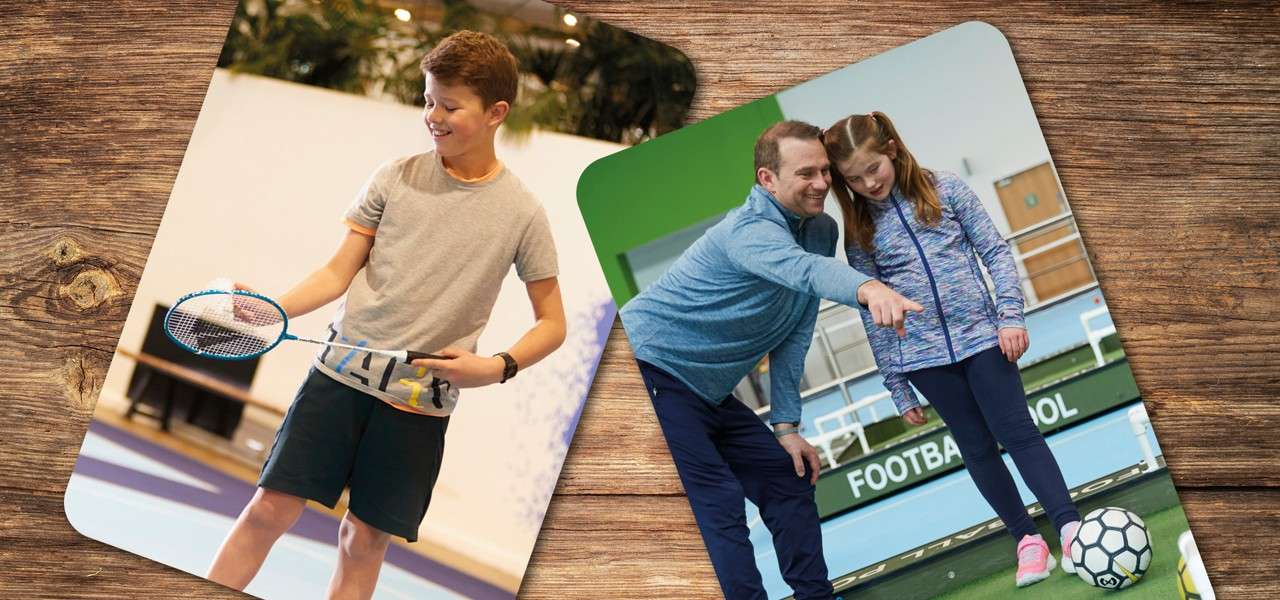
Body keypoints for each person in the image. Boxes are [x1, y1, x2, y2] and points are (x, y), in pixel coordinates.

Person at [204, 31, 566, 599]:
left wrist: (496, 366)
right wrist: (272, 308)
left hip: (416, 405)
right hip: (336, 379)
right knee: (268, 509)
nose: (433, 116)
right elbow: (336, 273)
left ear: (496, 113)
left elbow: (552, 323)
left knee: (363, 540)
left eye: (450, 106)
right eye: (428, 100)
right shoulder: (394, 176)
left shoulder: (523, 214)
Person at [620, 120, 920, 600]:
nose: (821, 183)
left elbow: (796, 328)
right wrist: (868, 288)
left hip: (707, 392)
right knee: (718, 503)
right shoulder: (748, 231)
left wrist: (786, 426)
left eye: (824, 171)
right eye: (805, 173)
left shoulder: (820, 230)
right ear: (767, 179)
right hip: (647, 372)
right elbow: (806, 271)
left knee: (786, 478)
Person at [823, 110, 1082, 588]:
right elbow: (873, 313)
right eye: (854, 179)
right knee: (976, 448)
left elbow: (995, 252)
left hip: (983, 337)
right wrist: (898, 386)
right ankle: (1027, 541)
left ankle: (1069, 528)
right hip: (923, 360)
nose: (868, 184)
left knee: (1018, 432)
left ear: (892, 150)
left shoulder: (945, 188)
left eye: (873, 169)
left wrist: (1010, 315)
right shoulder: (859, 230)